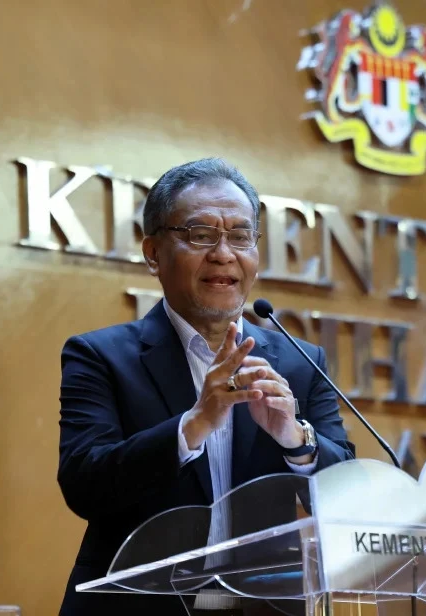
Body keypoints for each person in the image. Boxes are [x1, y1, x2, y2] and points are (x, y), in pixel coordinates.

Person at [56, 158, 356, 616]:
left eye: (240, 236)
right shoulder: (100, 357)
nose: (223, 253)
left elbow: (346, 493)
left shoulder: (299, 362)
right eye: (200, 235)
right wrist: (192, 426)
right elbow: (85, 486)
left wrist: (296, 440)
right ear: (153, 253)